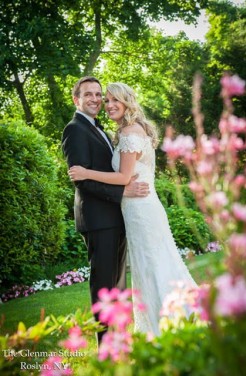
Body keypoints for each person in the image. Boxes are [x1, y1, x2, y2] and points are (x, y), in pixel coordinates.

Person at [68, 82, 197, 336]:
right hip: (122, 213)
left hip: (139, 210)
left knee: (152, 264)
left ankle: (171, 323)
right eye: (105, 100)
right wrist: (106, 185)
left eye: (111, 99)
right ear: (76, 100)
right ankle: (146, 329)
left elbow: (124, 176)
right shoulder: (80, 130)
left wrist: (87, 172)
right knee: (144, 266)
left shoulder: (128, 132)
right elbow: (103, 179)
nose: (106, 104)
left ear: (128, 102)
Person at [62, 77, 149, 344]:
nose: (95, 99)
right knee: (104, 285)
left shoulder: (100, 128)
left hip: (115, 216)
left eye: (98, 94)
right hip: (99, 219)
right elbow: (82, 179)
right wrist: (122, 191)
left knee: (117, 284)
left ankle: (119, 343)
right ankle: (106, 348)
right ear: (76, 99)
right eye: (88, 94)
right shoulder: (74, 129)